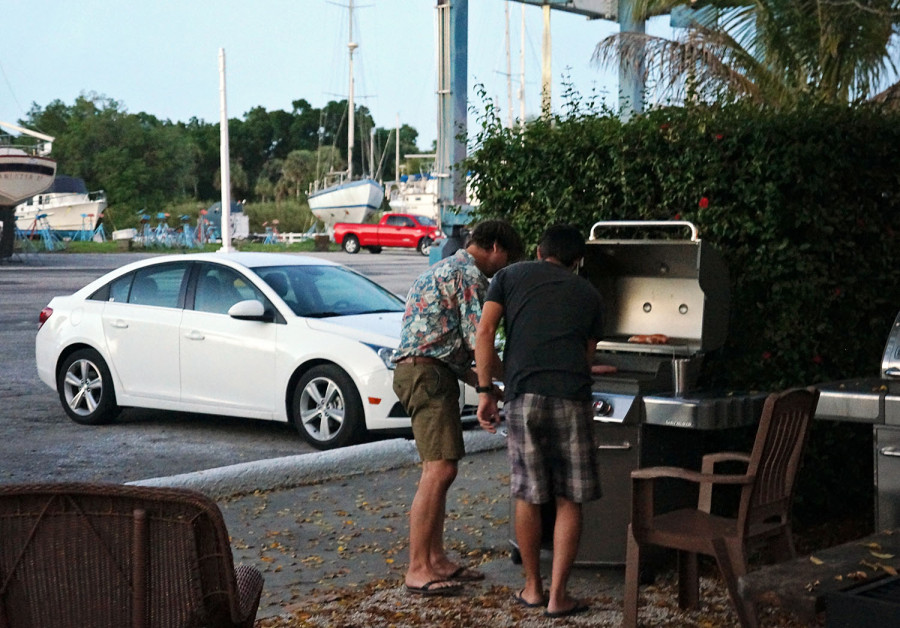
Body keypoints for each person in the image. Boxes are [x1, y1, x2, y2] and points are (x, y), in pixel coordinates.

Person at [475, 224, 604, 617]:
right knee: (569, 498)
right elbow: (586, 358)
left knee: (528, 493)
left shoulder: (508, 276)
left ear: (537, 249)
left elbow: (484, 332)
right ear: (577, 261)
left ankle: (532, 588)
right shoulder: (589, 293)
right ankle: (559, 597)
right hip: (571, 395)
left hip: (523, 394)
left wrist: (484, 390)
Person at [393, 219, 524, 597]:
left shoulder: (443, 267)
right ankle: (418, 568)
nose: (505, 267)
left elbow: (450, 352)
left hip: (424, 372)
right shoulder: (471, 276)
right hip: (427, 376)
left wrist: (488, 388)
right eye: (507, 258)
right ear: (496, 247)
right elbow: (478, 343)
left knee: (441, 471)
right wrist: (517, 374)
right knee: (439, 471)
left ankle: (436, 559)